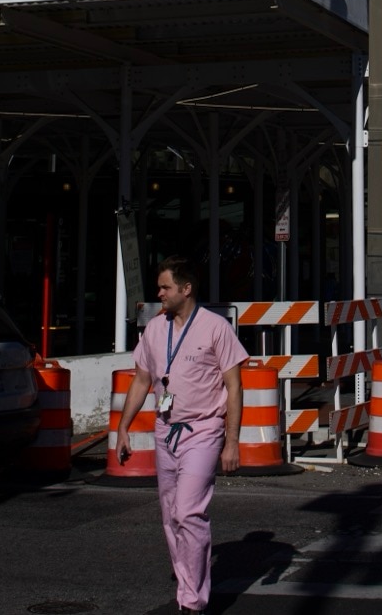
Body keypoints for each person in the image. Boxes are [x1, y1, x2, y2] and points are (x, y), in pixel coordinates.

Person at [112, 257, 248, 615]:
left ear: (186, 290)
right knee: (171, 514)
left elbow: (234, 387)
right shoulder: (156, 330)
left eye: (165, 288)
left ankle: (192, 600)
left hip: (203, 429)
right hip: (164, 429)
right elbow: (142, 380)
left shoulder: (216, 328)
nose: (159, 294)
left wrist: (231, 442)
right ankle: (188, 579)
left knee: (189, 511)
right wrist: (123, 428)